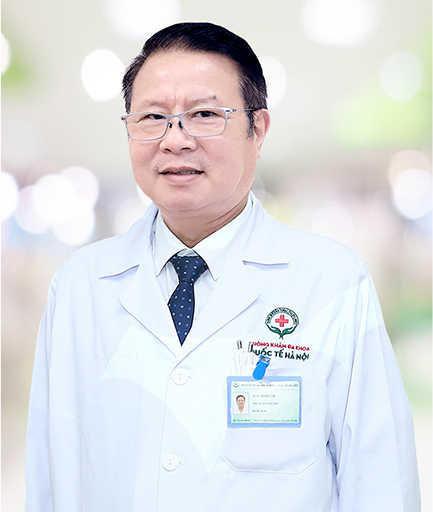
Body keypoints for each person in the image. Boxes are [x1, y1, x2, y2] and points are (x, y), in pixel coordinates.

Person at [25, 22, 421, 512]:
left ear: (259, 129)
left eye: (205, 114)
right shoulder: (80, 285)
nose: (175, 140)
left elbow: (381, 481)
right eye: (152, 117)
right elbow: (49, 471)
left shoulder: (332, 282)